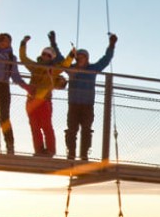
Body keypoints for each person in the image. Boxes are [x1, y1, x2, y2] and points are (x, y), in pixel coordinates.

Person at [49, 30, 117, 161]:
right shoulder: (71, 69)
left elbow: (106, 59)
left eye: (82, 56)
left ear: (87, 58)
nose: (79, 58)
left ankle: (84, 154)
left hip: (87, 106)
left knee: (86, 130)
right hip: (73, 105)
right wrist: (53, 43)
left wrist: (111, 45)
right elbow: (59, 58)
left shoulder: (92, 69)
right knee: (71, 130)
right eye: (78, 56)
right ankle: (71, 154)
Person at [18, 36, 70, 156]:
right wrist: (23, 43)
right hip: (31, 100)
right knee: (35, 127)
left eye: (48, 55)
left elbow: (65, 65)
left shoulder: (54, 69)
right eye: (44, 54)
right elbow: (23, 58)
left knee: (46, 127)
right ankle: (39, 150)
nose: (45, 57)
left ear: (52, 58)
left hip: (44, 101)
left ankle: (50, 150)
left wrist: (71, 55)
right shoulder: (35, 66)